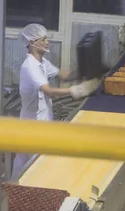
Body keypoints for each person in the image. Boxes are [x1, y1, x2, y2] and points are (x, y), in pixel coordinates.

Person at [13, 23, 100, 179]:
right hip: (32, 126)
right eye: (44, 39)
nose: (48, 42)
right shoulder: (30, 66)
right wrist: (77, 90)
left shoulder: (42, 62)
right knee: (29, 167)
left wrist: (86, 71)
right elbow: (49, 91)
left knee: (34, 164)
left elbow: (63, 75)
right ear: (33, 43)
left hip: (43, 121)